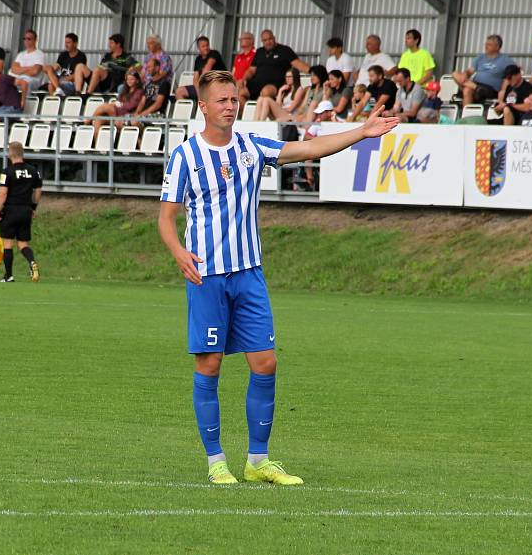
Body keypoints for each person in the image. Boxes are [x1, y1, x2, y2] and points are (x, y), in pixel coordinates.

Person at [158, 70, 399, 485]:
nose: (230, 106)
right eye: (221, 100)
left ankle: (257, 461)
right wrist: (179, 252)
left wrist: (361, 132)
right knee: (210, 365)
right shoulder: (185, 156)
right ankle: (217, 462)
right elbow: (166, 217)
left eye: (234, 99)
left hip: (249, 272)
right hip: (208, 276)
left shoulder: (252, 147)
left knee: (266, 362)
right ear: (203, 106)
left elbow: (308, 149)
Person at [0, 141, 42, 284]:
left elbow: (3, 193)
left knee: (8, 243)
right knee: (23, 244)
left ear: (10, 154)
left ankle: (9, 275)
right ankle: (32, 262)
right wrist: (33, 207)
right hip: (26, 210)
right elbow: (38, 191)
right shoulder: (34, 171)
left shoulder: (7, 172)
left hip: (10, 210)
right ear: (22, 153)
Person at [239, 30, 309, 104]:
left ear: (274, 38)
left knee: (266, 92)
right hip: (256, 84)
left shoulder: (284, 50)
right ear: (262, 41)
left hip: (275, 85)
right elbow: (251, 70)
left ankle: (262, 113)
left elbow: (298, 64)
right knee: (239, 93)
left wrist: (313, 71)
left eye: (270, 39)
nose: (268, 42)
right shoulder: (260, 51)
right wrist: (243, 80)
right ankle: (249, 114)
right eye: (265, 40)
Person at [452, 35, 515, 104]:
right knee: (455, 74)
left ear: (497, 47)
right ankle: (477, 88)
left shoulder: (506, 60)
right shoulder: (480, 57)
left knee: (467, 90)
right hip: (475, 84)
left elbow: (516, 71)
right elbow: (470, 71)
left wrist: (504, 88)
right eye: (486, 44)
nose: (486, 46)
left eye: (489, 44)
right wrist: (465, 74)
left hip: (491, 89)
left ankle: (465, 114)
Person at [87, 70, 144, 137]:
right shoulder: (125, 90)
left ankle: (88, 121)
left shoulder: (139, 91)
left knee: (105, 106)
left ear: (137, 81)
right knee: (98, 121)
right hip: (118, 112)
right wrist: (117, 103)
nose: (129, 81)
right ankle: (98, 145)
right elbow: (119, 100)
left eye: (132, 79)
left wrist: (119, 104)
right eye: (128, 79)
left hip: (125, 114)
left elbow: (130, 106)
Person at [176, 36, 226, 101]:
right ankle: (185, 110)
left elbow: (207, 69)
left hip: (219, 84)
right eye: (203, 46)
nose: (206, 48)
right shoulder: (198, 59)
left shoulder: (214, 53)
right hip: (204, 87)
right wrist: (198, 92)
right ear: (198, 48)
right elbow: (195, 78)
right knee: (179, 91)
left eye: (207, 45)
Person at [9, 29, 46, 108]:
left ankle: (25, 108)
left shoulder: (39, 54)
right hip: (18, 80)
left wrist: (20, 70)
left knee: (26, 84)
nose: (26, 41)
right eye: (25, 38)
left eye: (29, 39)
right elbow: (13, 69)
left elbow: (35, 71)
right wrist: (29, 68)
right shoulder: (21, 54)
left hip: (32, 81)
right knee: (5, 84)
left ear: (35, 40)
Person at [132, 58, 170, 125]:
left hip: (157, 114)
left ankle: (142, 134)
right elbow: (142, 102)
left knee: (134, 122)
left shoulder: (164, 83)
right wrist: (137, 113)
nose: (147, 69)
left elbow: (158, 104)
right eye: (147, 67)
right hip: (144, 114)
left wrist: (142, 114)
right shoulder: (148, 84)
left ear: (157, 68)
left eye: (149, 67)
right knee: (120, 122)